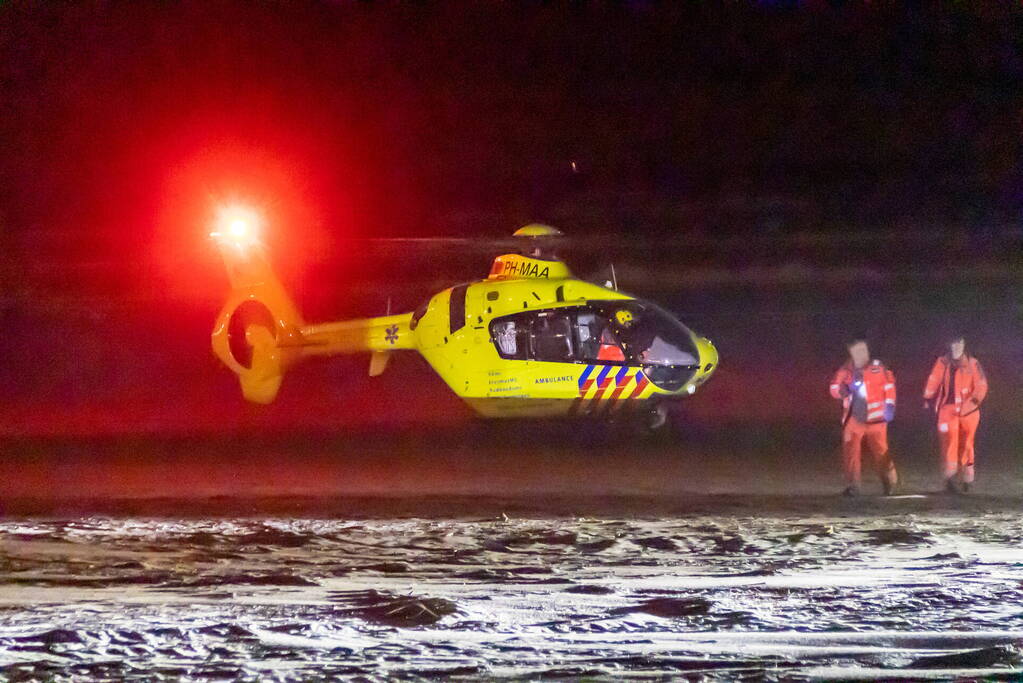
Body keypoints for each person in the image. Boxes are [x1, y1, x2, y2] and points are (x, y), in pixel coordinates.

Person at [829, 339, 899, 496]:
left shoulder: (878, 367)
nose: (862, 354)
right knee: (851, 453)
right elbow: (833, 388)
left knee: (882, 451)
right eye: (857, 351)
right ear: (851, 352)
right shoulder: (846, 370)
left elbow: (889, 386)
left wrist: (890, 406)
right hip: (854, 419)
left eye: (864, 350)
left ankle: (889, 483)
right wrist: (845, 390)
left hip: (877, 420)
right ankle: (853, 486)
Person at [923, 334, 988, 494]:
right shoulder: (942, 362)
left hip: (969, 411)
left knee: (967, 444)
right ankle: (950, 479)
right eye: (953, 344)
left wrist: (971, 404)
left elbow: (981, 386)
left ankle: (967, 478)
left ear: (964, 344)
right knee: (948, 442)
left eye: (959, 343)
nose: (956, 347)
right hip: (947, 409)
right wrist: (927, 397)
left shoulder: (973, 364)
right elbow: (934, 380)